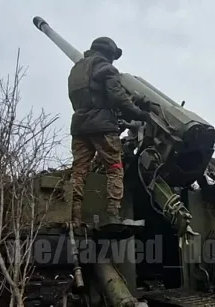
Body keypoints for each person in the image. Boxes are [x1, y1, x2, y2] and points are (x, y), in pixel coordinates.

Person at [67, 36, 150, 226]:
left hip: (79, 126)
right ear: (109, 53)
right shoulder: (107, 68)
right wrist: (139, 113)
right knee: (114, 168)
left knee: (79, 171)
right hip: (103, 126)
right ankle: (112, 215)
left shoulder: (75, 71)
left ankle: (74, 216)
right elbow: (118, 97)